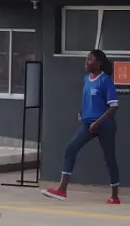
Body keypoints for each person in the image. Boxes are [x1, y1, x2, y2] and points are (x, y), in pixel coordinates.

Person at [43, 49, 121, 205]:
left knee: (109, 159)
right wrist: (82, 111)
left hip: (105, 125)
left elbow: (113, 107)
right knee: (70, 149)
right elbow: (88, 99)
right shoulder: (86, 79)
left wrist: (97, 123)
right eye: (86, 59)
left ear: (98, 63)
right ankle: (62, 189)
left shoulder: (105, 80)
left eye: (90, 59)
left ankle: (115, 196)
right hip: (88, 124)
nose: (86, 62)